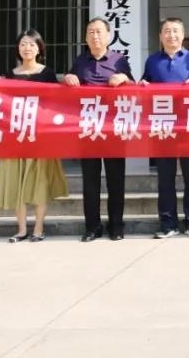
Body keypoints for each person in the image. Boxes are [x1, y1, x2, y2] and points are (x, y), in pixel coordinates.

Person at [0, 29, 68, 243]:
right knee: (17, 182)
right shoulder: (9, 74)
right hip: (15, 136)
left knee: (39, 182)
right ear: (18, 48)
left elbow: (54, 104)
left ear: (39, 48)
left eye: (32, 44)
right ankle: (21, 229)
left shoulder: (47, 74)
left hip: (40, 136)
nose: (27, 48)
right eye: (23, 44)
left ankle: (38, 228)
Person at [64, 17, 134, 241]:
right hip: (88, 129)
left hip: (113, 129)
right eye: (91, 32)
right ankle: (92, 227)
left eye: (99, 32)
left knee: (116, 179)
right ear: (85, 37)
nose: (95, 36)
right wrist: (67, 78)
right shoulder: (79, 61)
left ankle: (116, 225)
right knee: (90, 181)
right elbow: (67, 88)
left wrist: (124, 78)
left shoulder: (119, 60)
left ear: (108, 35)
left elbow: (135, 88)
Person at [141, 17, 189, 238]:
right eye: (167, 31)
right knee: (165, 178)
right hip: (163, 126)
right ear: (160, 36)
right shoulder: (152, 61)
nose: (171, 35)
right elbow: (144, 87)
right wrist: (143, 85)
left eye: (176, 31)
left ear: (183, 34)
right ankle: (168, 223)